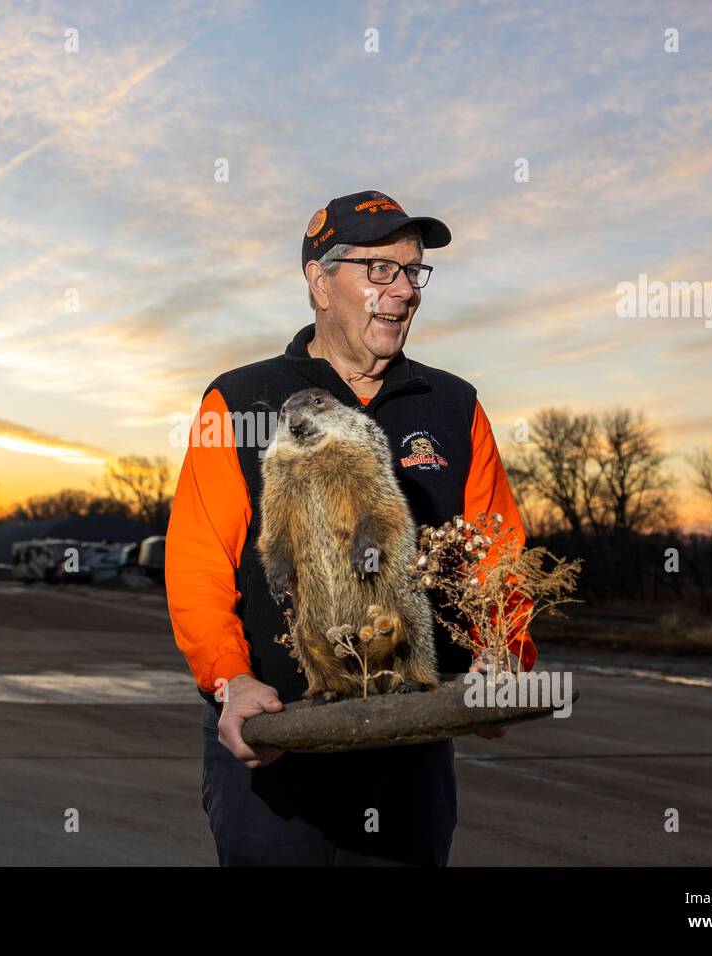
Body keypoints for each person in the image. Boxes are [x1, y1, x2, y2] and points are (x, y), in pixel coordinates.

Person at [165, 189, 535, 866]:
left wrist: (504, 655)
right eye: (380, 270)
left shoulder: (453, 406)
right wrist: (229, 679)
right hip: (278, 740)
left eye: (413, 271)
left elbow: (499, 554)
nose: (404, 291)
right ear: (319, 282)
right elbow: (197, 562)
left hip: (410, 742)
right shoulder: (241, 400)